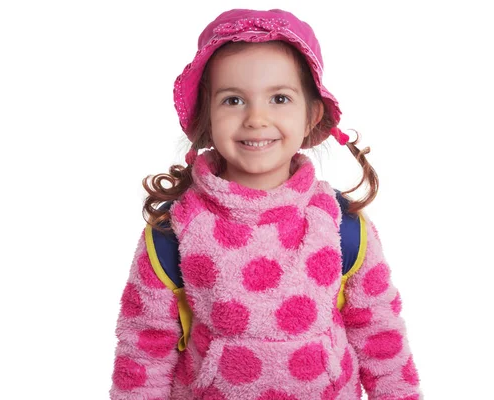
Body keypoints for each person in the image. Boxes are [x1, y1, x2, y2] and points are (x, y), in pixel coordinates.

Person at [110, 8, 421, 400]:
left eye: (279, 98)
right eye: (233, 100)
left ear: (312, 115)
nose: (257, 118)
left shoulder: (342, 227)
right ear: (207, 116)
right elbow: (143, 352)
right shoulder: (173, 234)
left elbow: (381, 338)